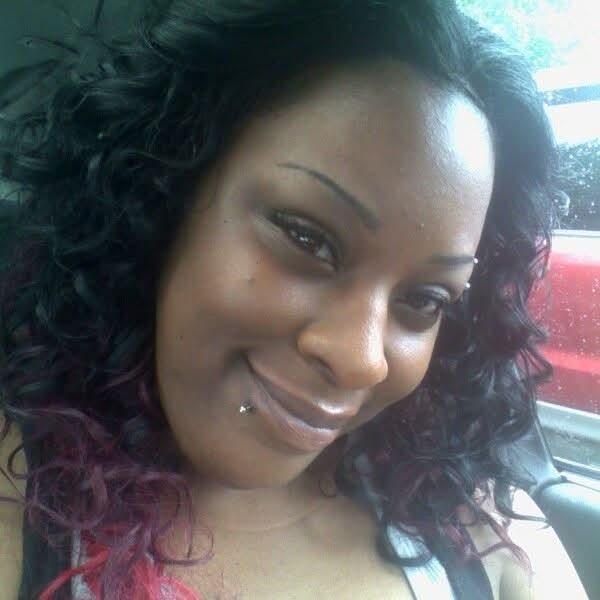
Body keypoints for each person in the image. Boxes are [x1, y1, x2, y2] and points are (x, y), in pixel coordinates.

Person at [0, 1, 589, 598]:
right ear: (162, 193)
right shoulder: (21, 502)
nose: (361, 361)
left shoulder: (482, 530)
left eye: (424, 299)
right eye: (308, 239)